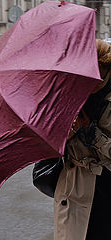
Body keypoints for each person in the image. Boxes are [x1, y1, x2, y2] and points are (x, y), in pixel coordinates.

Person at [54, 39, 111, 240]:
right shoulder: (71, 90)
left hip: (106, 185)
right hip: (74, 185)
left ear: (104, 67)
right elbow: (51, 141)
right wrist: (65, 134)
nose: (87, 82)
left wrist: (90, 132)